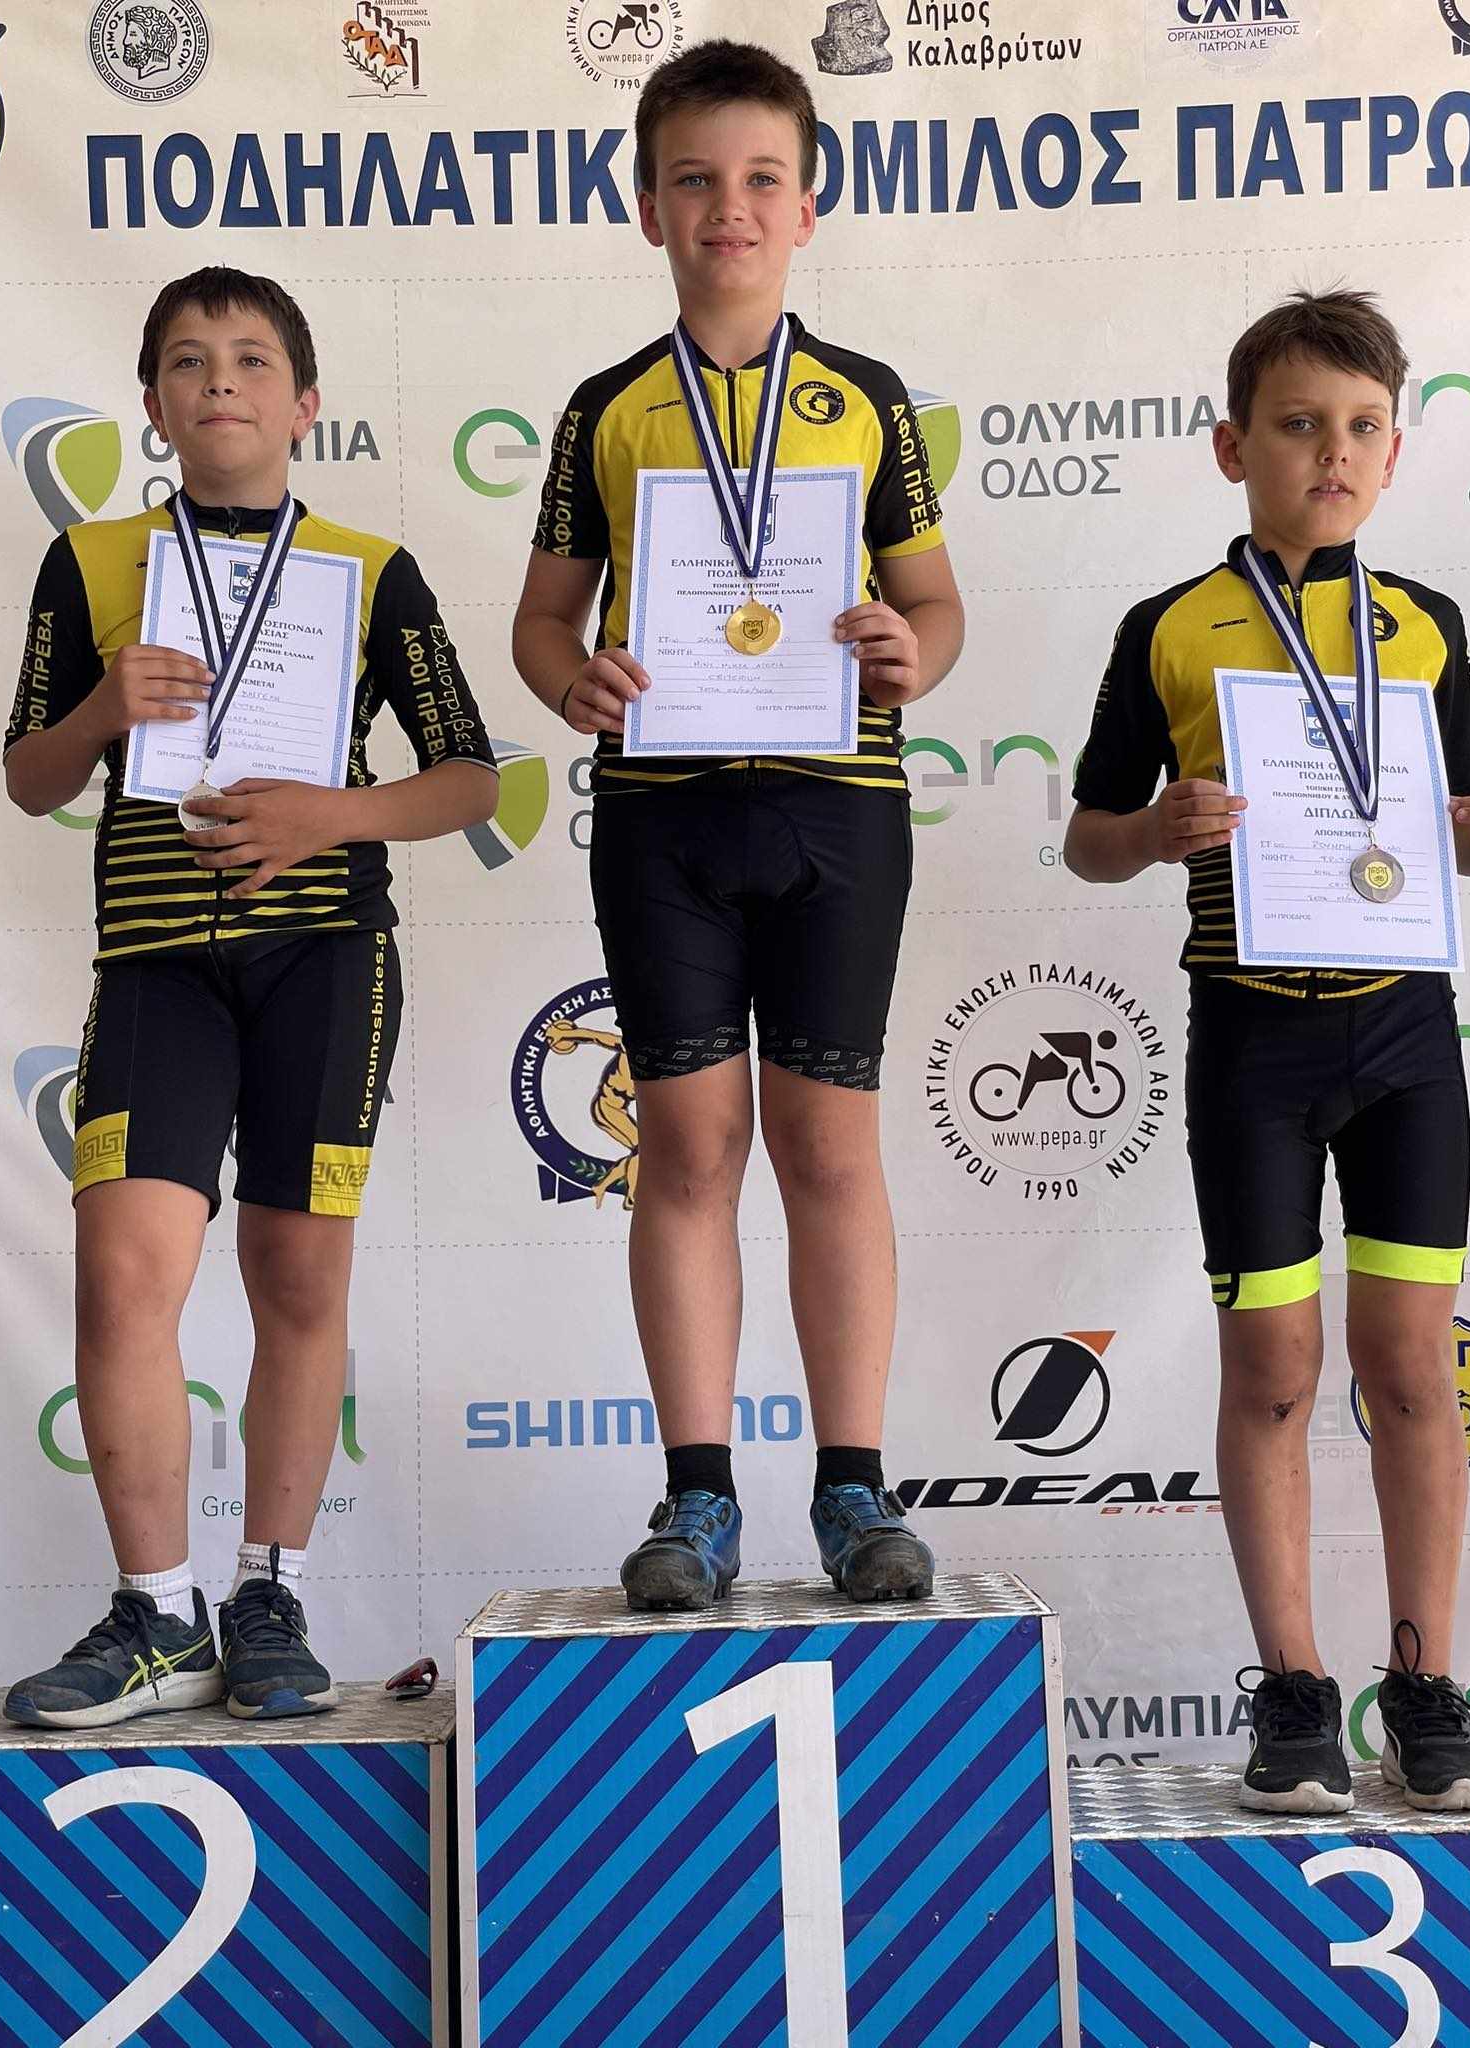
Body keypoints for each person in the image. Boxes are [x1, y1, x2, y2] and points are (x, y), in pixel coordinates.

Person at [2, 265, 498, 1725]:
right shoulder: (92, 562)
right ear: (152, 406)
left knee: (297, 1278)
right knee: (123, 1277)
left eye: (253, 358)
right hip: (156, 965)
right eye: (187, 359)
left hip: (324, 958)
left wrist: (328, 816)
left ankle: (268, 1591)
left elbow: (470, 777)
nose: (221, 378)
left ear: (306, 404)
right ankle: (157, 1612)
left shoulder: (369, 567)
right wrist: (106, 706)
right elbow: (28, 775)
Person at [513, 39, 963, 1610]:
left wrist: (913, 652)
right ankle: (698, 1494)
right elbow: (544, 622)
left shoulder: (868, 400)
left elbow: (935, 605)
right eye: (695, 179)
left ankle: (855, 1488)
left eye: (763, 177)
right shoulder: (605, 410)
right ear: (648, 206)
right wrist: (572, 680)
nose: (731, 207)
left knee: (827, 1146)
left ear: (810, 204)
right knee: (690, 1148)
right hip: (666, 818)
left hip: (840, 811)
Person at [1066, 288, 1470, 1813]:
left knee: (1412, 1368)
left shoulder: (1426, 624)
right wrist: (1154, 830)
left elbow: (1443, 826)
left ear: (1395, 452)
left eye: (1363, 427)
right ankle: (1299, 1691)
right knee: (1271, 1367)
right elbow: (1088, 837)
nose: (1334, 451)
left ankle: (1427, 1691)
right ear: (1231, 447)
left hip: (1407, 1039)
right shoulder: (1169, 628)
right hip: (1251, 1039)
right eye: (1300, 424)